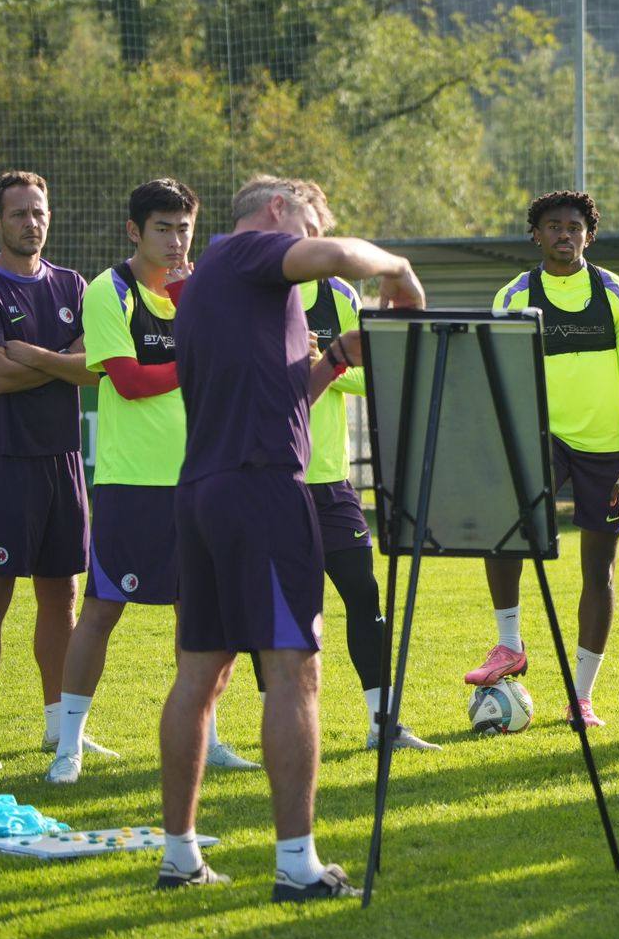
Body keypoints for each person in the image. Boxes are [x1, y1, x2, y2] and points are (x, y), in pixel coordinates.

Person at [156, 175, 424, 899]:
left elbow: (280, 395)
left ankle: (179, 856)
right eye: (307, 222)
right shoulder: (249, 253)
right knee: (294, 669)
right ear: (277, 212)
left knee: (201, 675)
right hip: (262, 488)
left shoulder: (214, 280)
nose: (309, 237)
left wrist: (333, 359)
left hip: (206, 489)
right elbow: (334, 256)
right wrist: (397, 271)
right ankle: (297, 865)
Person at [44, 179, 200, 784]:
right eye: (162, 227)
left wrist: (191, 298)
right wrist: (196, 363)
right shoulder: (109, 291)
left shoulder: (196, 293)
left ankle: (206, 737)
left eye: (183, 227)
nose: (175, 239)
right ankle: (70, 747)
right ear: (134, 231)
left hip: (199, 481)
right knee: (104, 609)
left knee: (200, 615)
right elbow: (129, 382)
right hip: (131, 484)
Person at [478, 191, 619, 731]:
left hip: (605, 450)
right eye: (552, 226)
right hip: (541, 438)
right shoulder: (513, 296)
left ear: (589, 235)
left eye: (574, 226)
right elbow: (498, 377)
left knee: (598, 570)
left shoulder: (618, 296)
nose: (563, 234)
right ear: (536, 235)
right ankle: (511, 646)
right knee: (501, 528)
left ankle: (580, 699)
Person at [0, 170, 96, 772]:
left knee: (62, 597)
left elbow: (97, 368)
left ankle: (59, 731)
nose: (30, 223)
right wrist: (62, 362)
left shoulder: (73, 284)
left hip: (62, 460)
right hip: (3, 461)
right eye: (18, 214)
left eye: (38, 212)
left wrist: (35, 357)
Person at [295, 182, 436, 753]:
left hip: (332, 481)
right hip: (273, 481)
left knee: (363, 596)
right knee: (285, 617)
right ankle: (282, 724)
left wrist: (322, 364)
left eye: (314, 230)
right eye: (295, 230)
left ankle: (385, 724)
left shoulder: (340, 296)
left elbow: (374, 371)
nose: (305, 240)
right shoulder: (255, 294)